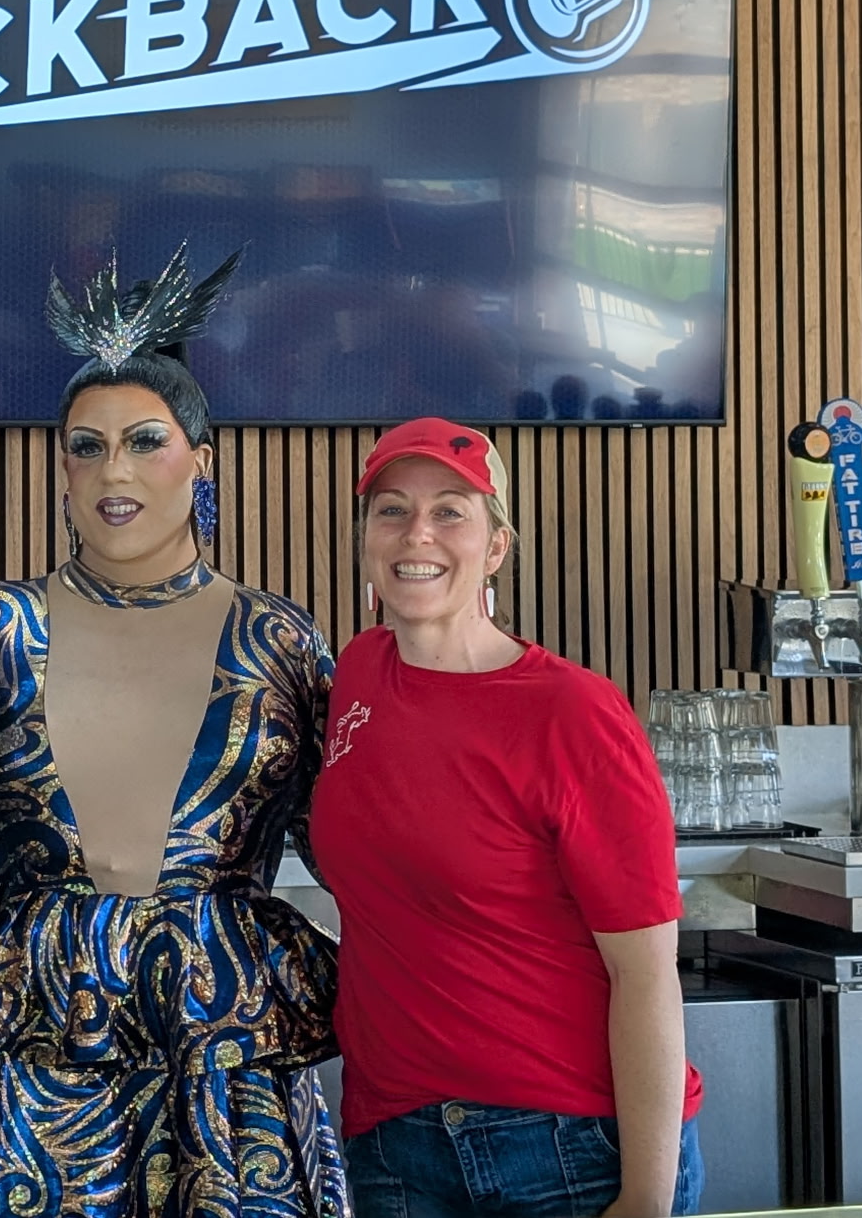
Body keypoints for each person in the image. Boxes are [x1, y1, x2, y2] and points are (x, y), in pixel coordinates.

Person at [0, 247, 347, 1217]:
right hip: (41, 1030)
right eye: (85, 444)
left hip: (228, 1026)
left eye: (144, 440)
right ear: (60, 468)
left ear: (200, 460)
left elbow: (352, 851)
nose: (112, 472)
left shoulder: (275, 638)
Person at [308, 419, 703, 1218]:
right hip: (393, 1142)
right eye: (392, 510)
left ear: (496, 547)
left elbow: (645, 972)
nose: (417, 533)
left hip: (566, 1146)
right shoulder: (356, 675)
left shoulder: (573, 713)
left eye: (451, 510)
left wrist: (646, 1198)